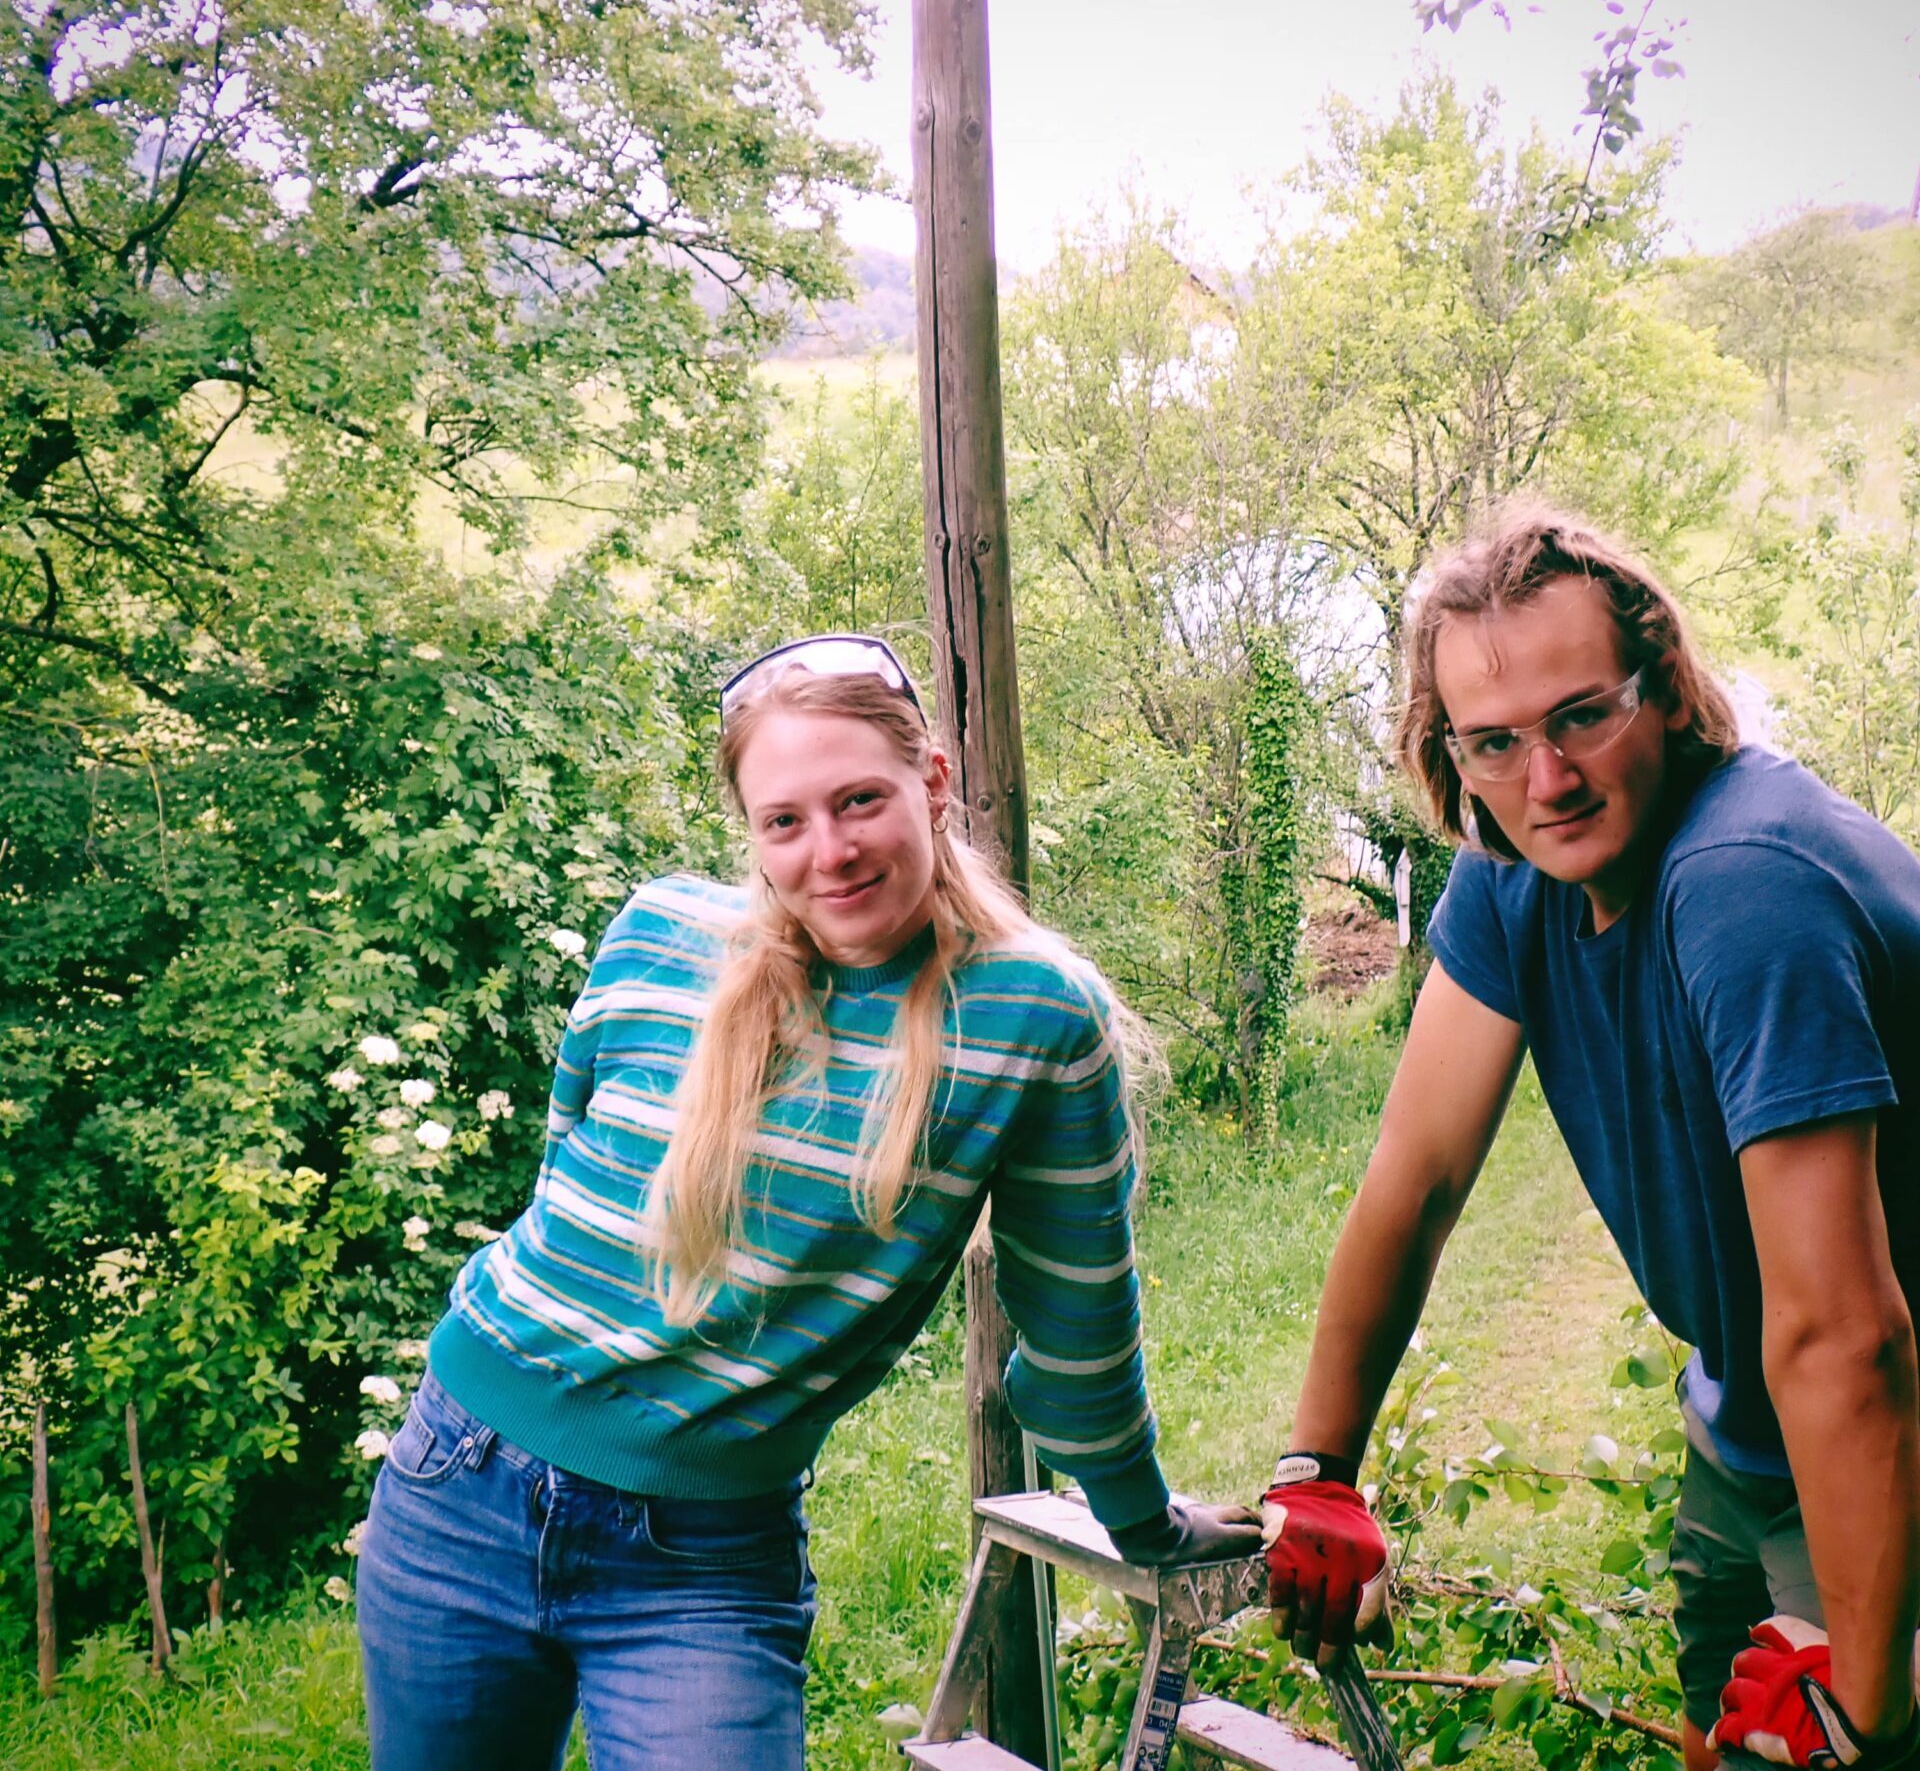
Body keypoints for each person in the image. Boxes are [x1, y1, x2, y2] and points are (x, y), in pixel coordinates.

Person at [356, 632, 1259, 1771]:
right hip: (458, 1484)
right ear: (751, 832)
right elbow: (565, 1190)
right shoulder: (659, 933)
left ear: (932, 782)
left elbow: (1075, 1328)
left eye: (859, 802)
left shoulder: (1033, 1016)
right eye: (784, 821)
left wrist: (1147, 1523)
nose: (827, 853)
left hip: (702, 1559)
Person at [1260, 510, 1920, 1771]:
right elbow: (1418, 1178)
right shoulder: (1517, 865)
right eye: (1494, 742)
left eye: (1582, 716)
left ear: (1665, 686)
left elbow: (1846, 1332)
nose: (1545, 779)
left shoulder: (1745, 884)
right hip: (1748, 1423)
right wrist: (1320, 1468)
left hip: (1886, 1430)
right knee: (1717, 1737)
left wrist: (1874, 1713)